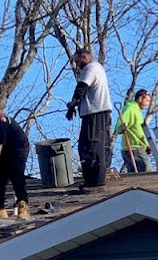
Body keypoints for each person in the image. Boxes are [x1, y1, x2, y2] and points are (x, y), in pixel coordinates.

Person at [66, 47, 112, 193]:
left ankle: (95, 183)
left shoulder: (90, 69)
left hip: (95, 113)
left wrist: (72, 104)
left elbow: (81, 88)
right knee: (90, 146)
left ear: (84, 56)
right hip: (98, 113)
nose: (77, 64)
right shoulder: (98, 68)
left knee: (91, 147)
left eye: (77, 60)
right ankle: (92, 181)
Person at [114, 89, 152, 173]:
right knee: (147, 174)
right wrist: (121, 127)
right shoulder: (130, 108)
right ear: (140, 98)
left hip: (136, 147)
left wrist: (146, 145)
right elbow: (120, 124)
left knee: (134, 175)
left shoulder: (137, 111)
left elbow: (138, 131)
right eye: (147, 101)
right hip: (134, 148)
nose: (147, 104)